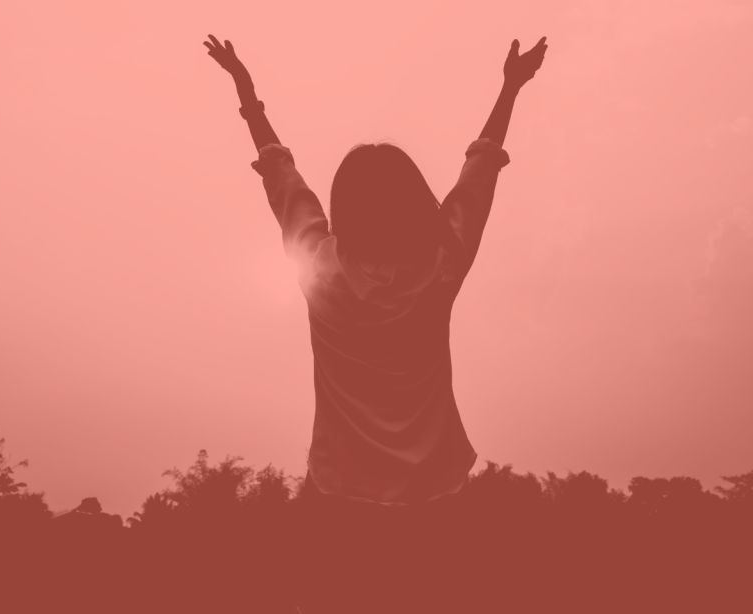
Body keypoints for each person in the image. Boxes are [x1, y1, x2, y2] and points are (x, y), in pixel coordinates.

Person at [203, 34, 547, 613]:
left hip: (340, 498)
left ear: (344, 205)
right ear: (416, 202)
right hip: (437, 495)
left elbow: (280, 177)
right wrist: (510, 87)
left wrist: (247, 91)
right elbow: (479, 173)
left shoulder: (321, 269)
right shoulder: (441, 267)